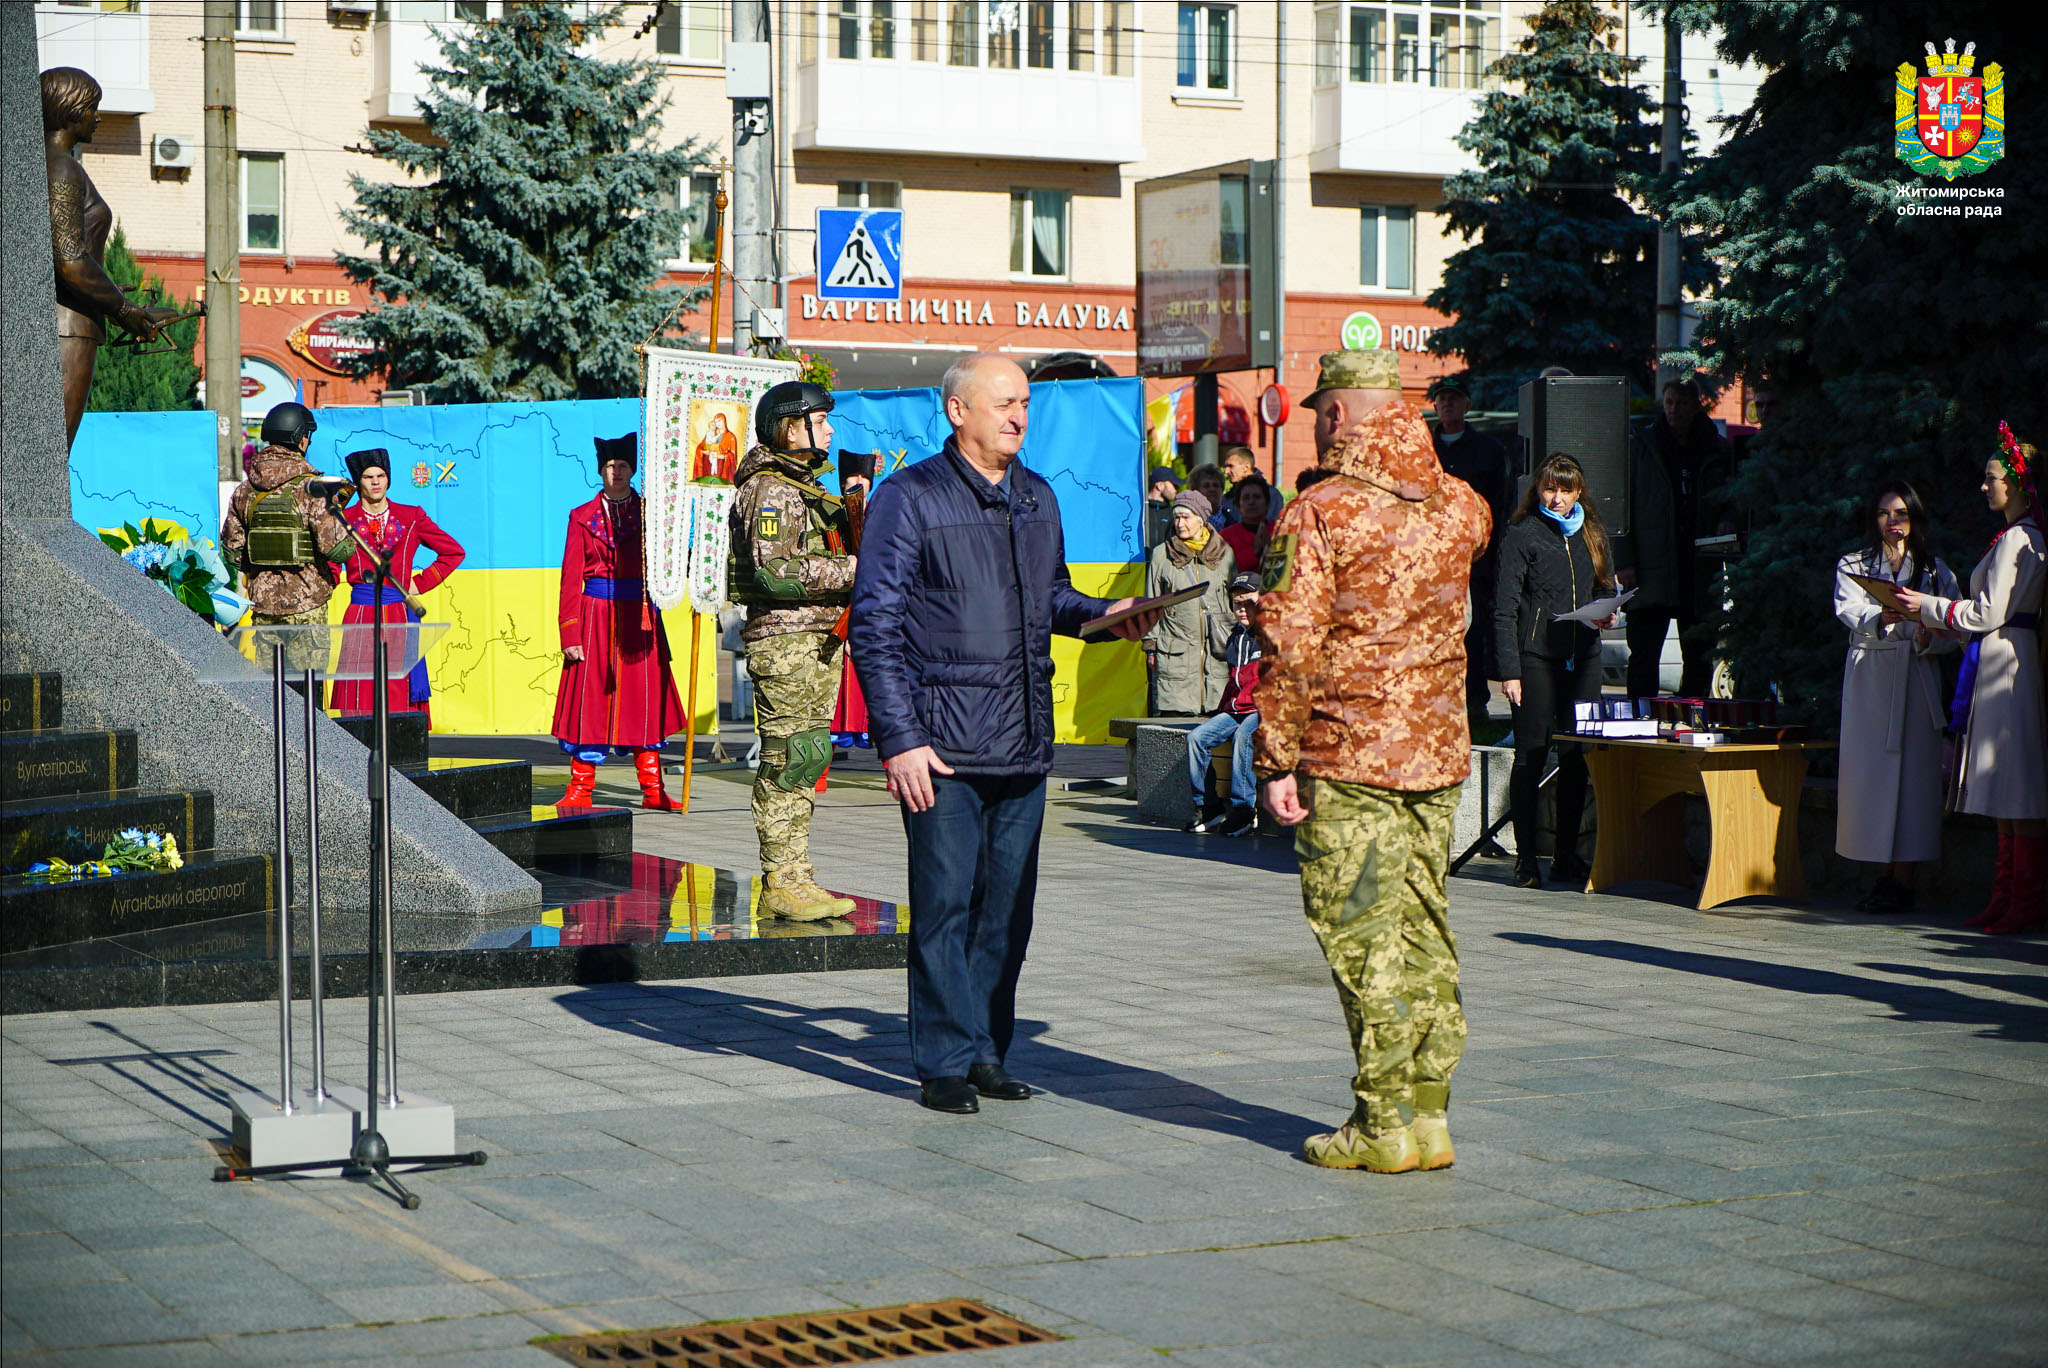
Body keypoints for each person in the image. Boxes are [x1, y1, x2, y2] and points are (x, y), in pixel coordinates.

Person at [849, 353, 1159, 1115]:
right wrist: (899, 739)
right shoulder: (908, 497)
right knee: (946, 907)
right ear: (959, 412)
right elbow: (875, 623)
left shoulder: (1037, 496)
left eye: (1026, 403)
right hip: (942, 749)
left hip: (1022, 742)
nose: (1020, 416)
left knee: (1007, 912)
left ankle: (988, 1049)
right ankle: (943, 1064)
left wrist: (1107, 621)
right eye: (1005, 403)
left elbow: (1050, 595)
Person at [1253, 349, 1489, 1174]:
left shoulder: (1319, 513)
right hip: (1436, 756)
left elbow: (1290, 645)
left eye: (1323, 410)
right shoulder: (1464, 507)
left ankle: (1380, 1122)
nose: (1319, 424)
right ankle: (1430, 1116)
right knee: (1427, 932)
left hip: (1348, 757)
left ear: (1342, 415)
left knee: (1364, 940)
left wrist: (1275, 758)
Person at [1897, 424, 2047, 934]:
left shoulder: (2020, 538)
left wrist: (1929, 607)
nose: (1984, 486)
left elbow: (1989, 612)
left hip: (2007, 661)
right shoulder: (2016, 537)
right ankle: (2008, 896)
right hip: (2002, 655)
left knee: (2018, 786)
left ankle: (2023, 899)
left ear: (2017, 483)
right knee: (2009, 786)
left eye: (1992, 478)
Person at [728, 382, 860, 922]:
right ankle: (782, 881)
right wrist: (857, 570)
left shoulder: (797, 486)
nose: (830, 430)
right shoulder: (771, 490)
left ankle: (796, 875)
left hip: (813, 641)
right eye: (821, 420)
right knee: (788, 759)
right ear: (791, 426)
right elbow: (773, 572)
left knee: (805, 758)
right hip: (786, 644)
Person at [1831, 482, 1959, 914]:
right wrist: (1878, 616)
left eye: (1901, 513)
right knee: (1874, 781)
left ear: (1914, 519)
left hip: (1915, 675)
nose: (1893, 522)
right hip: (1872, 678)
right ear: (1874, 520)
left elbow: (1954, 625)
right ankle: (1881, 875)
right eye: (1885, 513)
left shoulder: (1935, 570)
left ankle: (1904, 879)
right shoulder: (1854, 563)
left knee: (1913, 784)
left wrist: (1926, 633)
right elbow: (1848, 610)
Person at [1493, 453, 1619, 890]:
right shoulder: (1522, 534)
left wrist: (1608, 614)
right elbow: (1505, 608)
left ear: (1579, 491)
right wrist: (1510, 671)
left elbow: (1605, 587)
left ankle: (1566, 855)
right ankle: (1527, 859)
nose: (1558, 498)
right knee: (1531, 754)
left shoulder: (1592, 532)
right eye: (1550, 488)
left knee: (1575, 755)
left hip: (1582, 657)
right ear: (1539, 488)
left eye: (1566, 490)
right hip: (1536, 659)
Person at [44, 67, 178, 448]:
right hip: (67, 328)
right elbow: (69, 260)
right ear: (72, 111)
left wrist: (105, 291)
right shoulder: (63, 169)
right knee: (54, 450)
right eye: (92, 108)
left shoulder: (46, 167)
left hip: (65, 319)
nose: (97, 117)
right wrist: (123, 309)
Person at [553, 434, 686, 812]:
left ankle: (653, 790)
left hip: (639, 618)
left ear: (633, 469)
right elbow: (570, 578)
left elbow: (668, 564)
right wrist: (569, 632)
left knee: (642, 702)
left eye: (623, 466)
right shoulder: (581, 517)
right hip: (594, 616)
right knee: (590, 702)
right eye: (611, 466)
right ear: (601, 471)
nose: (617, 472)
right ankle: (580, 789)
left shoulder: (651, 513)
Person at [328, 448, 467, 723]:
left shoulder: (410, 516)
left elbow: (453, 552)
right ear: (358, 482)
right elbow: (331, 565)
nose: (376, 482)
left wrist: (418, 583)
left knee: (399, 688)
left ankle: (402, 755)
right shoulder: (343, 520)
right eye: (368, 477)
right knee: (361, 688)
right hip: (361, 614)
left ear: (388, 479)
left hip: (399, 614)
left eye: (381, 476)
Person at [1616, 378, 1735, 698]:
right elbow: (1620, 506)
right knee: (1643, 655)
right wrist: (1624, 560)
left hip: (1697, 567)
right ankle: (1640, 721)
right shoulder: (1642, 444)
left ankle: (1692, 717)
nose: (1673, 409)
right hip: (1650, 565)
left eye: (1681, 403)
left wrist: (1726, 522)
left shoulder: (1716, 448)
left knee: (1698, 655)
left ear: (1696, 405)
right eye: (1668, 402)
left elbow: (1732, 499)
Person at [220, 402, 358, 631]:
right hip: (307, 606)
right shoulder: (312, 489)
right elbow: (341, 550)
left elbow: (233, 553)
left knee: (269, 669)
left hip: (264, 607)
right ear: (301, 438)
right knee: (308, 669)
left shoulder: (244, 490)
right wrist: (340, 519)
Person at [1431, 376, 1513, 719]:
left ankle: (1474, 703)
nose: (1447, 404)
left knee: (1473, 634)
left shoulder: (1488, 451)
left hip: (1473, 564)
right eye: (1442, 399)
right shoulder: (1422, 449)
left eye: (1454, 398)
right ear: (1435, 406)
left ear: (1467, 405)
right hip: (1429, 565)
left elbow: (1502, 506)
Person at [1142, 489, 1235, 716]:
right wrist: (1150, 648)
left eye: (1186, 517)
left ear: (1201, 519)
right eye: (1176, 517)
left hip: (1217, 663)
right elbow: (1151, 605)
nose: (1179, 523)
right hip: (1176, 662)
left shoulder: (1225, 553)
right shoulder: (1161, 555)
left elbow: (1234, 604)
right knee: (1174, 732)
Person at [1183, 574, 1264, 836]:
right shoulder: (1235, 636)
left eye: (1248, 602)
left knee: (1244, 737)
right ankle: (1208, 805)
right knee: (1196, 738)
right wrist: (1222, 710)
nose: (1241, 609)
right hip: (1236, 708)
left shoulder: (1273, 632)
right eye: (1236, 603)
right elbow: (1234, 681)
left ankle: (1243, 809)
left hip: (1264, 709)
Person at [830, 450, 877, 753]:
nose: (858, 485)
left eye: (864, 479)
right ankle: (817, 773)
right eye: (852, 480)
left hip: (874, 614)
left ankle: (893, 770)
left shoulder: (883, 515)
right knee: (829, 699)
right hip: (836, 614)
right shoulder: (832, 517)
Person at [1219, 474, 1277, 574]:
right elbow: (1224, 570)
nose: (1251, 502)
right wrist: (1254, 551)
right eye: (1246, 498)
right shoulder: (1226, 536)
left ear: (1267, 503)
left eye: (1257, 497)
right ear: (1238, 504)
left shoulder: (1279, 531)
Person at [691, 411, 741, 484]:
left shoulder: (731, 437)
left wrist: (720, 456)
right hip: (708, 467)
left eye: (719, 421)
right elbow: (700, 448)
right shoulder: (711, 433)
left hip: (722, 468)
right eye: (716, 422)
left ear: (724, 421)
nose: (718, 424)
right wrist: (705, 452)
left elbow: (732, 457)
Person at [1219, 444, 1259, 524]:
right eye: (1226, 466)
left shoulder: (1270, 494)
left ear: (1246, 467)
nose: (1226, 471)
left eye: (1231, 466)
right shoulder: (1226, 499)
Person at [1144, 465, 1181, 549]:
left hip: (1162, 561)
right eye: (1174, 485)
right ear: (1159, 485)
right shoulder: (1140, 510)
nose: (1177, 489)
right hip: (1138, 561)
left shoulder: (1173, 513)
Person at [1186, 462, 1228, 530]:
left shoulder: (1230, 519)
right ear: (1196, 490)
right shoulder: (1186, 519)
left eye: (1216, 485)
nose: (1212, 489)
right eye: (1206, 486)